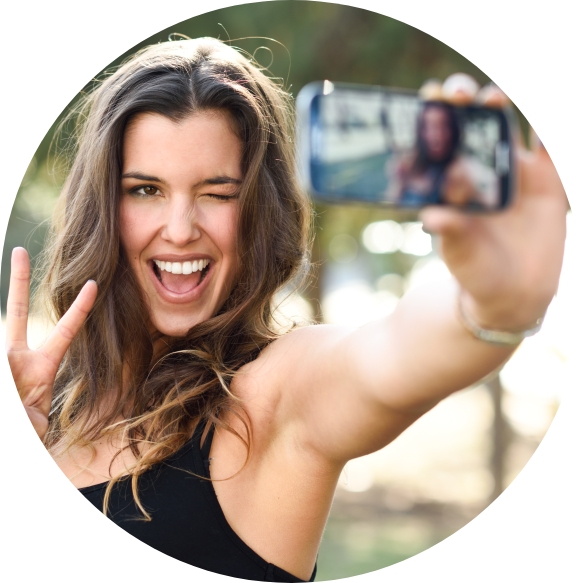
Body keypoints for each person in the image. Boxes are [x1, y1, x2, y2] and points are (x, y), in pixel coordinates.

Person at [6, 38, 567, 581]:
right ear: (102, 206)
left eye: (218, 193)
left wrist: (497, 300)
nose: (179, 230)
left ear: (257, 210)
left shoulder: (270, 394)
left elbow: (390, 358)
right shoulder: (40, 400)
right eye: (146, 190)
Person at [386, 100, 499, 208]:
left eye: (443, 126)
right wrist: (398, 182)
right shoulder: (410, 163)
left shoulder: (463, 170)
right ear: (421, 130)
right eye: (429, 126)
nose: (436, 135)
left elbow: (490, 197)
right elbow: (390, 203)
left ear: (453, 130)